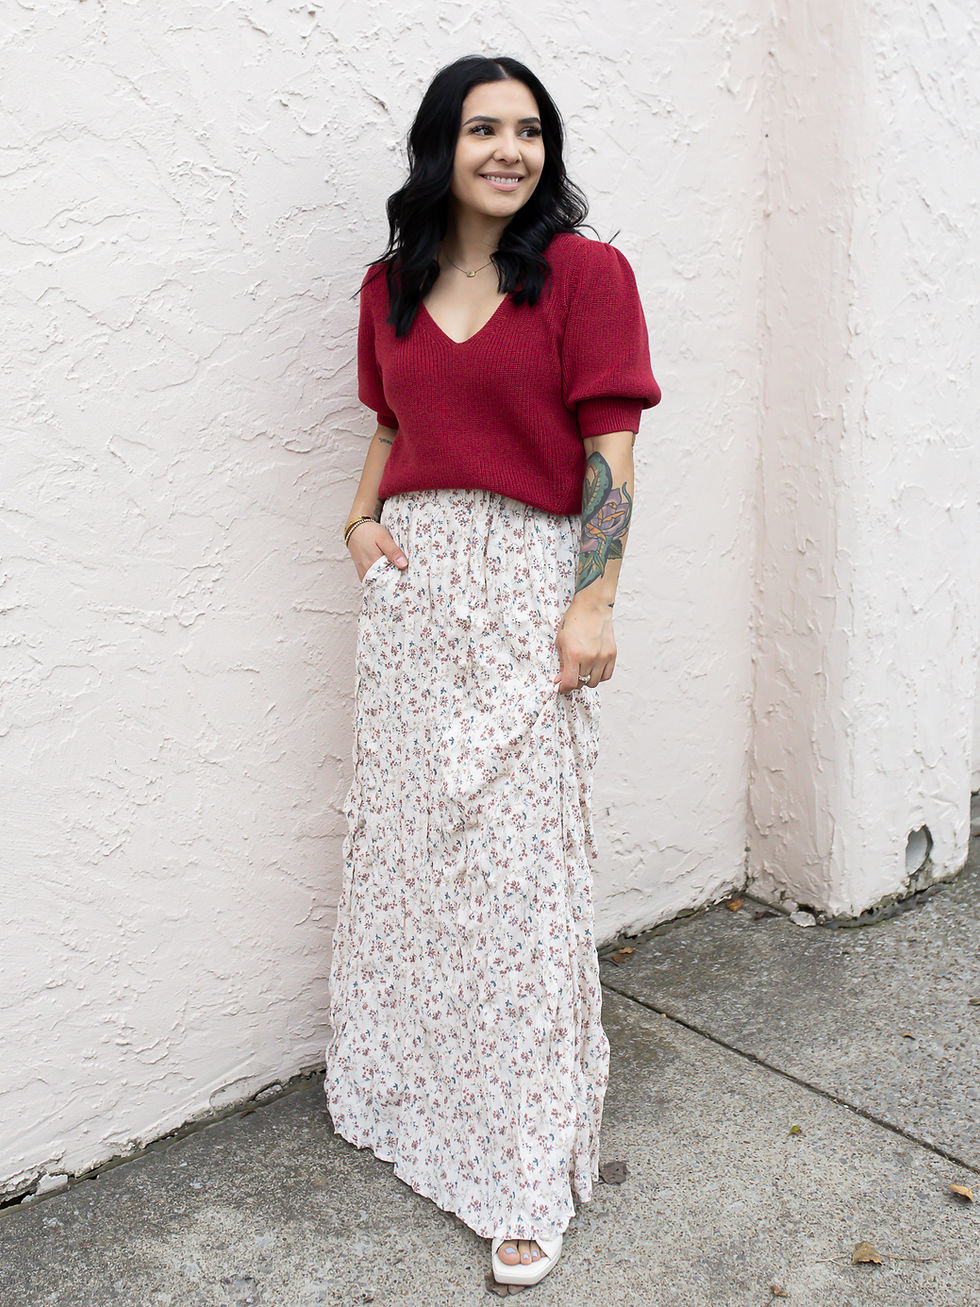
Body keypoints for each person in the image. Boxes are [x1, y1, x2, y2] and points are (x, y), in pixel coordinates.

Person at [324, 53, 660, 1289]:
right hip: (416, 602)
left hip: (528, 592)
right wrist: (357, 525)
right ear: (439, 148)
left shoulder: (584, 274)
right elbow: (388, 421)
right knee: (416, 870)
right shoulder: (388, 286)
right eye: (482, 130)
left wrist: (593, 599)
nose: (508, 151)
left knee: (520, 891)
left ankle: (520, 1167)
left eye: (528, 131)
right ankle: (408, 1103)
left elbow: (610, 454)